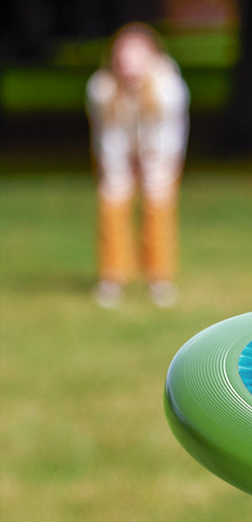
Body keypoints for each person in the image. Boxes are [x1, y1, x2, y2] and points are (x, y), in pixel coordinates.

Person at [86, 22, 190, 308]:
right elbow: (107, 135)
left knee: (158, 206)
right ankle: (112, 277)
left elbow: (168, 135)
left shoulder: (169, 88)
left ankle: (159, 278)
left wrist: (153, 165)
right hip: (117, 152)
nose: (129, 65)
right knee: (112, 203)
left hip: (159, 153)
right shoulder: (101, 88)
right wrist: (118, 169)